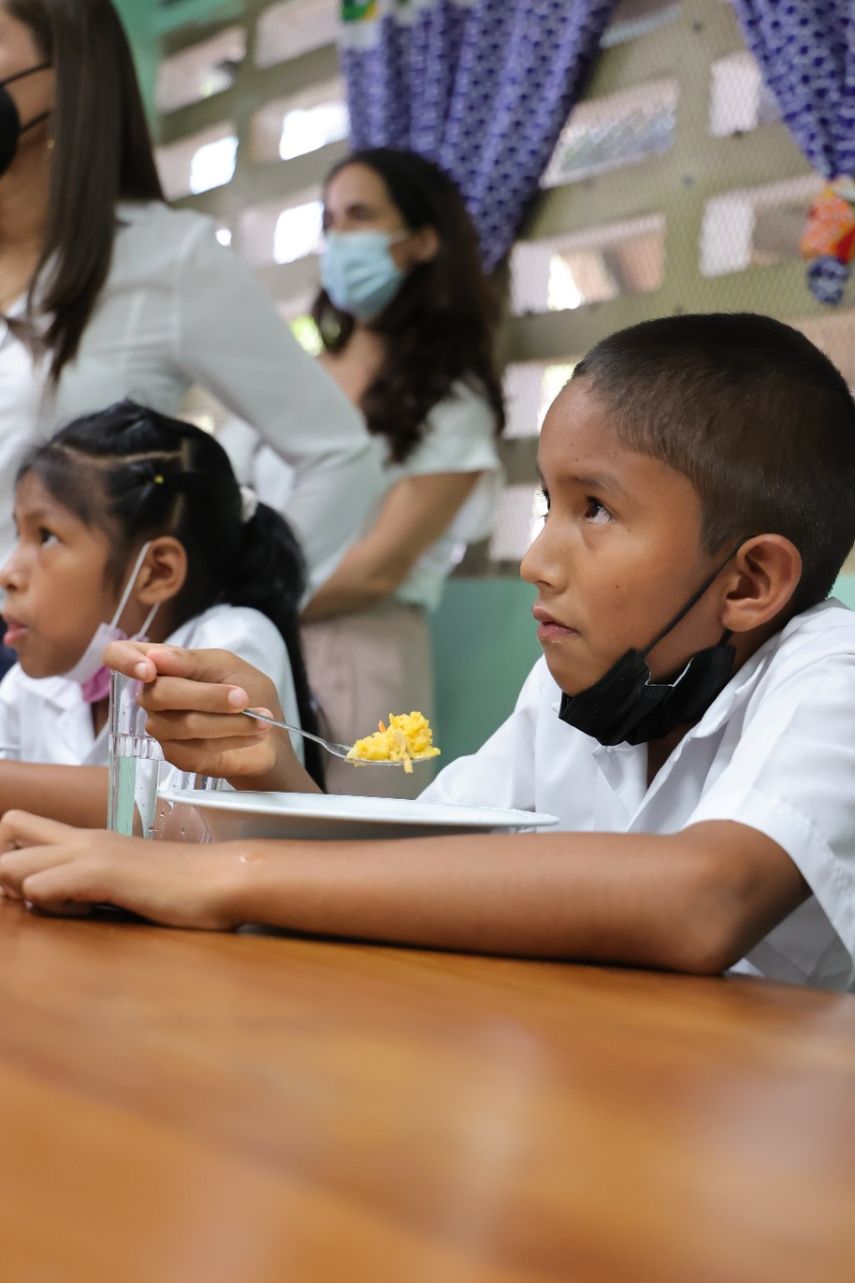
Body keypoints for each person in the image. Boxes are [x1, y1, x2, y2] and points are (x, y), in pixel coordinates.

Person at [4, 314, 855, 993]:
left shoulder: (832, 675)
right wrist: (278, 780)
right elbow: (404, 870)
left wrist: (225, 875)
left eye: (593, 509)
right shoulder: (575, 692)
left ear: (748, 581)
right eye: (548, 504)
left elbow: (702, 901)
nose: (536, 559)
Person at [0, 0, 378, 615]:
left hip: (59, 672)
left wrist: (218, 617)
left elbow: (341, 457)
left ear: (69, 71)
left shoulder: (168, 259)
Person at [0, 399, 323, 826]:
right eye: (17, 533)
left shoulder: (231, 641)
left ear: (157, 571)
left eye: (46, 537)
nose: (8, 572)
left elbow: (180, 817)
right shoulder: (31, 684)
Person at [295, 147, 505, 799]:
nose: (338, 237)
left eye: (359, 215)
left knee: (353, 872)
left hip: (367, 658)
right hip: (253, 642)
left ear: (419, 242)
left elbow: (379, 568)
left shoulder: (453, 403)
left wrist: (239, 589)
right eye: (329, 220)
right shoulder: (292, 376)